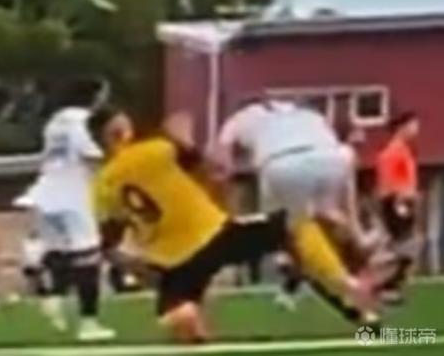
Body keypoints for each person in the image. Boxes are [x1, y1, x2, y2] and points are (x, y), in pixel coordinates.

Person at [89, 106, 287, 343]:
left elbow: (110, 239)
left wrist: (137, 267)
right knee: (292, 227)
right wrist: (184, 136)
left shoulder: (102, 185)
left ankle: (188, 320)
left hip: (174, 259)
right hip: (212, 232)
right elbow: (199, 162)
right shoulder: (155, 150)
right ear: (120, 131)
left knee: (175, 310)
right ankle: (317, 275)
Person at [214, 97, 381, 326]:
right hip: (334, 159)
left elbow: (222, 156)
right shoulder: (309, 114)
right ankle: (357, 234)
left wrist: (225, 179)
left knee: (296, 228)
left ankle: (338, 278)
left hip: (282, 165)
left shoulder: (240, 118)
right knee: (325, 211)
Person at [22, 78, 115, 342]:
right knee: (88, 255)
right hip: (73, 191)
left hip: (46, 189)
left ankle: (52, 297)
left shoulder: (54, 122)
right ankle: (89, 322)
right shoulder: (81, 121)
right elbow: (89, 155)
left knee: (59, 251)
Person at [376, 111, 421, 302]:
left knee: (409, 246)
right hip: (396, 202)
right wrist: (400, 201)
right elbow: (388, 182)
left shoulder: (404, 150)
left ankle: (390, 286)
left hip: (403, 201)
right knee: (405, 246)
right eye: (413, 125)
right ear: (402, 127)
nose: (416, 130)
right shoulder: (393, 152)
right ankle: (386, 286)